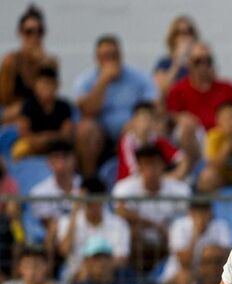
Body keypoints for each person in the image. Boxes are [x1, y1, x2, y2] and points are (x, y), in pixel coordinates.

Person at [166, 42, 232, 162]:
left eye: (207, 61)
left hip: (229, 132)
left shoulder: (227, 87)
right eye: (198, 61)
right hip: (200, 136)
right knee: (185, 127)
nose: (203, 65)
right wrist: (181, 118)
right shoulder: (178, 89)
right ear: (189, 64)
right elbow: (170, 115)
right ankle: (196, 168)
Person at [73, 35, 158, 178]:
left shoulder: (139, 77)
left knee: (144, 125)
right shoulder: (85, 80)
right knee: (85, 129)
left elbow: (151, 106)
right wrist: (103, 81)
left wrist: (136, 122)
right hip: (100, 133)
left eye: (114, 55)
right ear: (97, 59)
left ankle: (140, 177)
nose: (111, 60)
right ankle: (90, 180)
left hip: (131, 126)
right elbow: (88, 110)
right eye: (106, 56)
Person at [112, 144, 191, 273]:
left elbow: (187, 217)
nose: (150, 170)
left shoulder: (179, 189)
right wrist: (153, 224)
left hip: (167, 241)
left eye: (154, 164)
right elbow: (119, 211)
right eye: (145, 165)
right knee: (128, 231)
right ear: (139, 167)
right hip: (140, 243)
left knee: (180, 232)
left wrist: (166, 231)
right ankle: (133, 277)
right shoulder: (125, 188)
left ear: (162, 166)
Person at [55, 176, 130, 283]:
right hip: (75, 275)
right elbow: (64, 250)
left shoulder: (119, 224)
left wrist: (96, 268)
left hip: (109, 275)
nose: (94, 206)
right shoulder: (67, 222)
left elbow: (122, 259)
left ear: (103, 199)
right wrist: (75, 211)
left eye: (97, 201)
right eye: (89, 202)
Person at [161, 199, 232, 284]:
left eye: (205, 210)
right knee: (184, 277)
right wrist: (196, 232)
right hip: (179, 273)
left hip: (210, 271)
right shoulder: (179, 226)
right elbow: (185, 262)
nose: (202, 214)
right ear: (190, 212)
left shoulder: (221, 226)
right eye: (198, 210)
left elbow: (227, 256)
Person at [0, 5, 57, 124]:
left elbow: (50, 95)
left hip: (40, 111)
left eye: (39, 32)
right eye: (29, 32)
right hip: (13, 111)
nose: (34, 37)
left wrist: (42, 66)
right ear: (20, 33)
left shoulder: (49, 61)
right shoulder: (11, 61)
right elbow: (4, 98)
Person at [12, 63, 73, 160]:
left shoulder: (64, 106)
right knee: (20, 149)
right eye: (43, 83)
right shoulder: (28, 105)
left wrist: (47, 139)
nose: (46, 87)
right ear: (35, 86)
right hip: (33, 143)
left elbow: (66, 134)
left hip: (56, 145)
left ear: (57, 85)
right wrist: (40, 140)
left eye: (50, 83)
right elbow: (23, 132)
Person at [116, 101, 188, 181]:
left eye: (149, 119)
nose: (145, 123)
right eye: (142, 119)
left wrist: (175, 175)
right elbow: (134, 172)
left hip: (155, 184)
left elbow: (183, 159)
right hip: (130, 184)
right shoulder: (126, 142)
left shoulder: (157, 140)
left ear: (154, 123)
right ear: (133, 121)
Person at [29, 139, 81, 238]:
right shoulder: (39, 192)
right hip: (55, 240)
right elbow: (48, 227)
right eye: (56, 156)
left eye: (65, 156)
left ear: (74, 159)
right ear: (49, 161)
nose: (61, 161)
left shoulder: (86, 187)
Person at [152, 15, 199, 96]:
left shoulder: (201, 62)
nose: (185, 36)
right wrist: (177, 62)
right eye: (180, 33)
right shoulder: (164, 63)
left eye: (189, 32)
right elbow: (158, 90)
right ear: (173, 38)